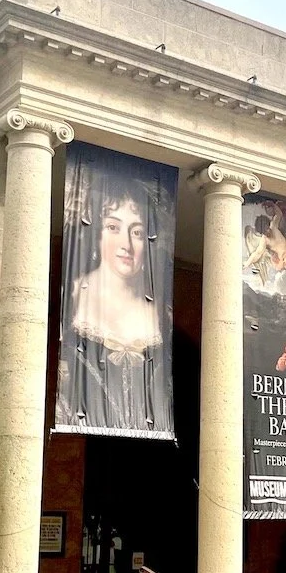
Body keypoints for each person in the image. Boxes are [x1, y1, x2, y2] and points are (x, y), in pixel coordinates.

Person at [57, 183, 166, 432]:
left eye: (137, 232)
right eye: (113, 227)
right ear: (97, 232)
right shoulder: (74, 296)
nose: (126, 244)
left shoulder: (161, 314)